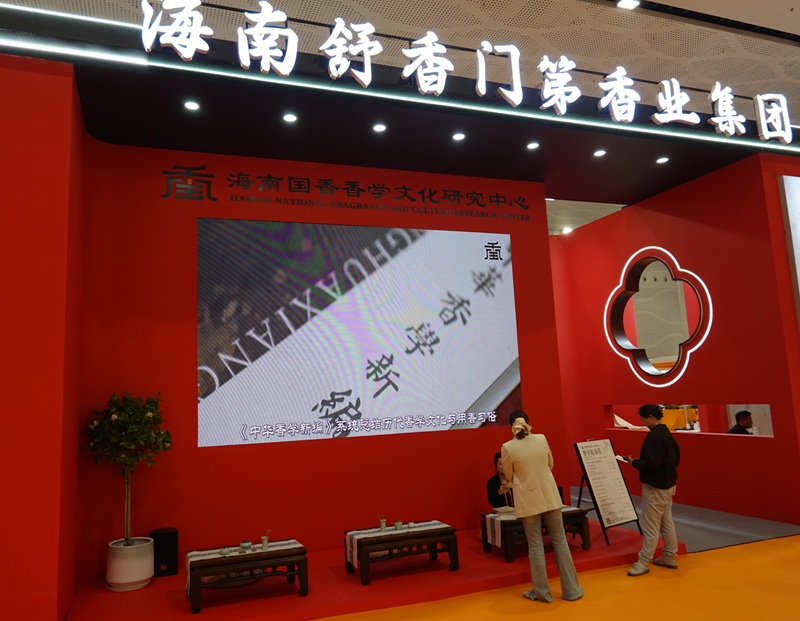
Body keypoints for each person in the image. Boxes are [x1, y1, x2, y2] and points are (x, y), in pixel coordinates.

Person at [501, 410, 583, 603]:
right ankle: (572, 590)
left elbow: (509, 475)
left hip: (529, 501)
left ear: (510, 426)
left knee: (535, 547)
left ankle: (542, 593)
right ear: (528, 422)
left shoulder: (507, 447)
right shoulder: (541, 439)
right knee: (560, 542)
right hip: (550, 496)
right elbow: (550, 464)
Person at [623, 404, 681, 576]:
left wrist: (634, 463)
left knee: (651, 526)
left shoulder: (654, 436)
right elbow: (675, 458)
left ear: (650, 417)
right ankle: (669, 555)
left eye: (642, 419)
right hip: (668, 484)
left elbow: (652, 463)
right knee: (666, 522)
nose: (642, 422)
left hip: (655, 486)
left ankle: (643, 562)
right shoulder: (666, 433)